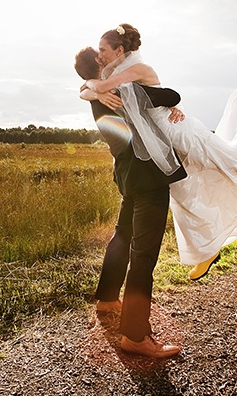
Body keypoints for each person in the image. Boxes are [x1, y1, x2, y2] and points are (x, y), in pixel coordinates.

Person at [82, 24, 237, 281]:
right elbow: (118, 92)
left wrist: (90, 86)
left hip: (178, 131)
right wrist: (90, 89)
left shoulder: (137, 69)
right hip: (165, 142)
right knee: (186, 192)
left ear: (119, 49)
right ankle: (207, 251)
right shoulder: (119, 73)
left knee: (229, 164)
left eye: (103, 49)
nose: (100, 55)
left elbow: (105, 88)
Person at [74, 45, 186, 359]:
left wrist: (91, 87)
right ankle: (135, 336)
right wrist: (172, 106)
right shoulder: (123, 90)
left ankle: (108, 298)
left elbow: (87, 88)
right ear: (100, 62)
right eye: (104, 55)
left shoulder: (96, 98)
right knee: (144, 255)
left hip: (126, 176)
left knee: (122, 237)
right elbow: (171, 95)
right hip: (148, 177)